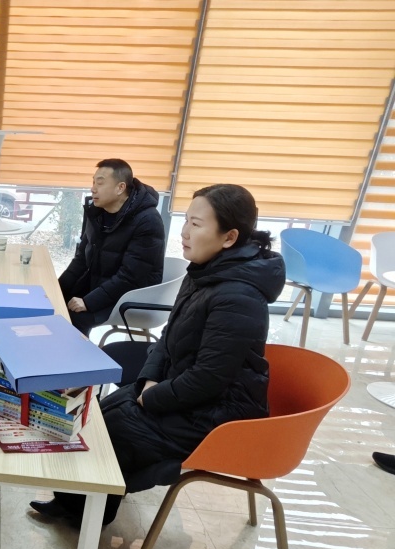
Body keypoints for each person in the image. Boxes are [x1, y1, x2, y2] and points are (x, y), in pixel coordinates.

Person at [32, 184, 285, 526]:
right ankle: (78, 502)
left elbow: (209, 378)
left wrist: (152, 397)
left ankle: (88, 516)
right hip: (190, 390)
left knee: (117, 432)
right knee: (98, 413)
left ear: (229, 238)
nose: (184, 232)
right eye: (186, 220)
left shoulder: (240, 297)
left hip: (220, 414)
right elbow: (168, 337)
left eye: (196, 224)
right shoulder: (207, 271)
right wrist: (150, 379)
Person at [58, 159, 166, 335]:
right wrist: (58, 289)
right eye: (93, 182)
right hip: (101, 284)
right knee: (54, 303)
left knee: (73, 317)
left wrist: (89, 302)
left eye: (100, 183)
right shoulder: (98, 213)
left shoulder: (148, 221)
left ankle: (77, 352)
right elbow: (81, 260)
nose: (93, 188)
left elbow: (130, 278)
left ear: (120, 188)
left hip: (130, 295)